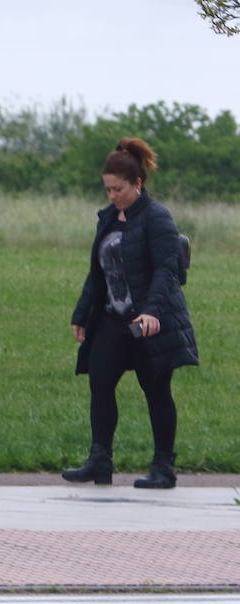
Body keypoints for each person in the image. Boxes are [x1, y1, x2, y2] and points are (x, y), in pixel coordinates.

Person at [63, 138, 198, 489]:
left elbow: (166, 270)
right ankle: (99, 461)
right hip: (112, 317)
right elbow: (99, 272)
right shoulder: (107, 218)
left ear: (137, 184)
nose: (112, 195)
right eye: (107, 189)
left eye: (118, 189)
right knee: (100, 381)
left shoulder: (157, 218)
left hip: (150, 321)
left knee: (155, 389)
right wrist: (81, 314)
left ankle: (163, 467)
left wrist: (151, 313)